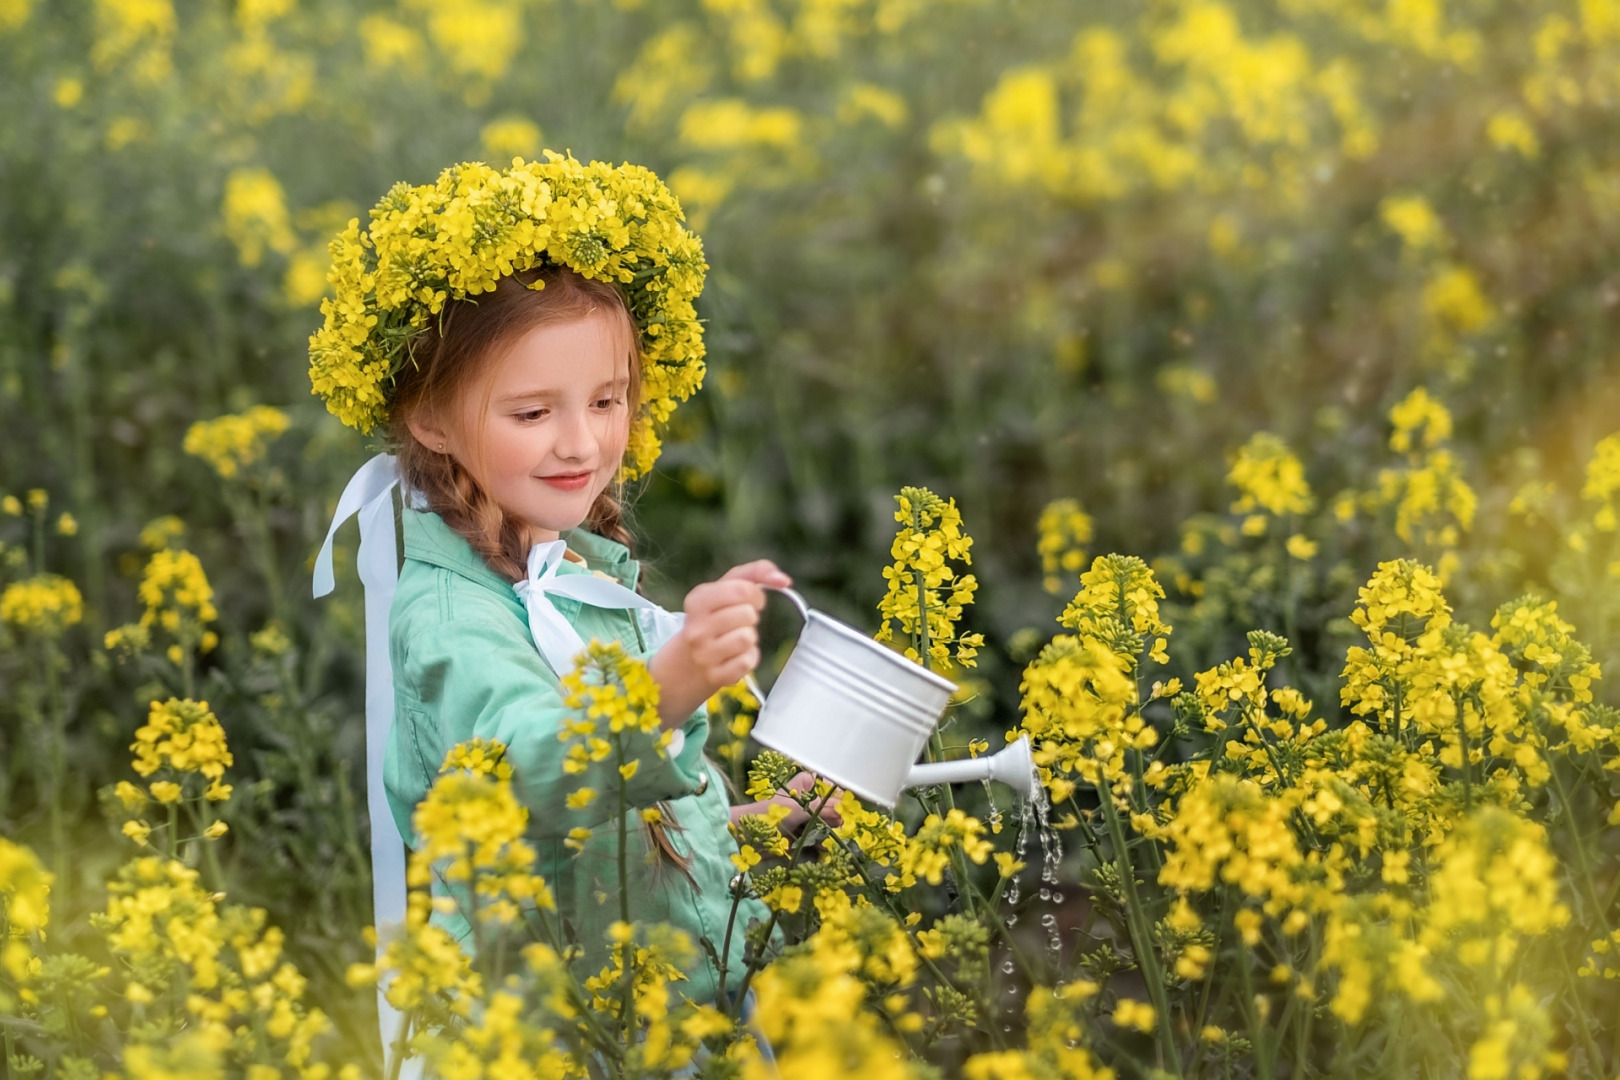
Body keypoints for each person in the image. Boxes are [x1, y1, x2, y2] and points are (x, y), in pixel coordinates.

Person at [308, 157, 838, 1042]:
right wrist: (667, 686)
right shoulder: (452, 617)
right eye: (531, 414)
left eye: (606, 399)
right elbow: (534, 766)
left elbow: (604, 833)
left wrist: (746, 829)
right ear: (431, 420)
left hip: (657, 1023)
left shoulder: (568, 573)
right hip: (549, 1039)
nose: (582, 443)